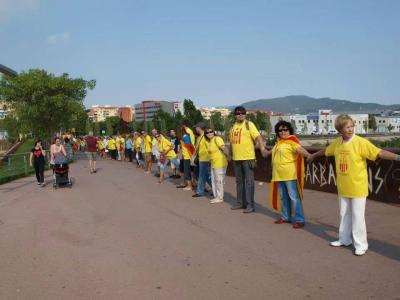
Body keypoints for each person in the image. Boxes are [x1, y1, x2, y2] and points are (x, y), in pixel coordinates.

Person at [308, 114, 400, 256]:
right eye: (347, 127)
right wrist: (313, 155)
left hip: (358, 186)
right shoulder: (337, 143)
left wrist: (397, 157)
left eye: (351, 126)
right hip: (343, 186)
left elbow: (379, 152)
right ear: (340, 130)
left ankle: (361, 244)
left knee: (358, 216)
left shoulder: (360, 142)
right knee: (344, 214)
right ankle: (344, 239)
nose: (350, 129)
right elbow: (326, 151)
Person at [266, 120, 312, 229]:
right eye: (280, 130)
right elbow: (270, 152)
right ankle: (285, 217)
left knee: (294, 198)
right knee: (283, 197)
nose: (283, 132)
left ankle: (300, 220)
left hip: (290, 175)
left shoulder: (292, 142)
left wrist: (309, 155)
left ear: (289, 130)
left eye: (285, 129)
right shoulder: (278, 143)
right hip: (278, 175)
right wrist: (263, 149)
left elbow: (300, 149)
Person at [229, 106, 267, 213]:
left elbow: (258, 137)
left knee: (249, 182)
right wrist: (230, 155)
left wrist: (262, 148)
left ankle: (250, 205)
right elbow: (232, 143)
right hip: (236, 159)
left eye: (242, 113)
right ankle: (240, 202)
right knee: (239, 182)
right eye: (238, 113)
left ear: (245, 114)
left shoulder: (249, 124)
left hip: (248, 158)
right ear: (235, 115)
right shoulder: (232, 127)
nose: (240, 114)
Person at [205, 128, 228, 204]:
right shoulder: (209, 142)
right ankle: (217, 196)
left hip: (220, 163)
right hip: (213, 164)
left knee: (219, 181)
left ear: (213, 132)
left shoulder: (217, 139)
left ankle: (220, 197)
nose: (209, 133)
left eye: (211, 131)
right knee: (214, 181)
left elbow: (224, 148)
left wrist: (229, 156)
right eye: (207, 132)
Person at [192, 122, 212, 198]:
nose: (195, 129)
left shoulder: (205, 136)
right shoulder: (200, 137)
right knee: (206, 176)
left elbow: (209, 147)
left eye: (196, 127)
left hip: (205, 159)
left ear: (199, 128)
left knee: (201, 176)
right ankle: (215, 189)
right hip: (202, 158)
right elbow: (197, 148)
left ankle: (200, 192)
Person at [177, 122, 196, 191]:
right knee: (188, 171)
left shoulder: (185, 137)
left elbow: (190, 146)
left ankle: (190, 185)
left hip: (188, 156)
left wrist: (192, 157)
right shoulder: (184, 137)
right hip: (186, 156)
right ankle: (190, 184)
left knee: (186, 171)